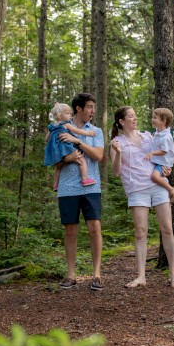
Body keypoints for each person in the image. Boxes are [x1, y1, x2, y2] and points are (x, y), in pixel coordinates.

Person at [110, 106, 174, 289]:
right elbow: (115, 172)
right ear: (121, 121)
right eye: (131, 116)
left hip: (157, 186)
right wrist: (118, 153)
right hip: (136, 189)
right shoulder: (116, 142)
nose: (135, 119)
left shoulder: (149, 136)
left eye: (135, 116)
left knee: (167, 229)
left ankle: (173, 274)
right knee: (140, 232)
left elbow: (164, 156)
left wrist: (167, 169)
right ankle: (141, 276)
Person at [56, 93, 104, 291]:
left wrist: (76, 141)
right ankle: (70, 275)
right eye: (90, 107)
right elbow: (54, 159)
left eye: (93, 107)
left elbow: (98, 156)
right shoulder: (59, 129)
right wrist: (67, 159)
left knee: (95, 228)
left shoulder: (96, 131)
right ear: (79, 109)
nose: (93, 110)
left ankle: (97, 274)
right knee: (70, 231)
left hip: (91, 187)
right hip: (67, 188)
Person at [44, 102, 97, 191]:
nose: (70, 115)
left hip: (56, 151)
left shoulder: (52, 126)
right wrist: (88, 133)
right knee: (82, 159)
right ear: (60, 115)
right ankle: (84, 179)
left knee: (58, 167)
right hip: (66, 148)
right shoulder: (65, 124)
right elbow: (77, 131)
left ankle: (55, 184)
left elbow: (46, 139)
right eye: (68, 113)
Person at [144, 107, 174, 203]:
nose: (152, 119)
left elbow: (164, 151)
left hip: (163, 163)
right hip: (157, 161)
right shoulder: (157, 133)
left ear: (163, 121)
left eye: (155, 118)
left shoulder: (166, 137)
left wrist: (152, 153)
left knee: (154, 177)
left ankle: (172, 190)